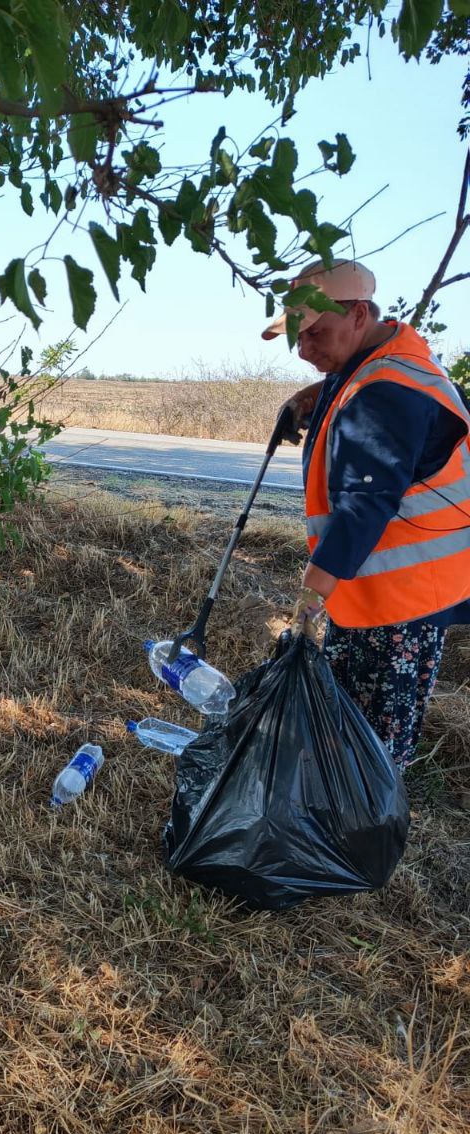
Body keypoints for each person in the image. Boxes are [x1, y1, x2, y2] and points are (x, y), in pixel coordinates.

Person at [262, 259, 470, 767]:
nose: (304, 349)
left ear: (358, 315)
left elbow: (365, 503)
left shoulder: (386, 390)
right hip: (377, 588)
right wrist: (318, 393)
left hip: (404, 597)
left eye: (316, 334)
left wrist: (309, 601)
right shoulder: (385, 356)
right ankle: (333, 816)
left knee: (372, 746)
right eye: (297, 337)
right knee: (343, 725)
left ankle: (360, 836)